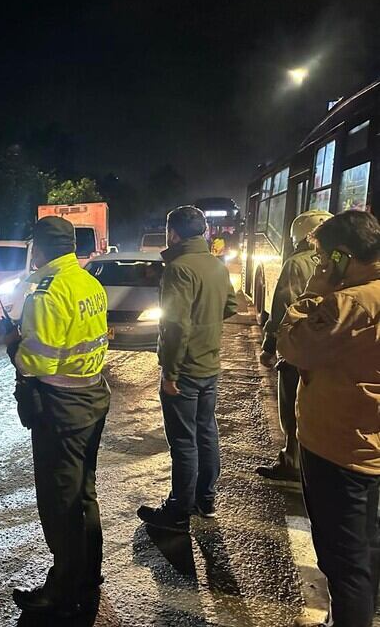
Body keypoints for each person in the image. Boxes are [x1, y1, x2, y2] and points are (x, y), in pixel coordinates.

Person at [277, 210, 380, 627]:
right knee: (366, 550)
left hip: (339, 447)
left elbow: (293, 345)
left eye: (322, 259)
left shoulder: (349, 303)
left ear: (342, 257)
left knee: (343, 560)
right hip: (369, 445)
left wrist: (311, 294)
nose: (319, 266)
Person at [6, 216, 111, 617]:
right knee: (84, 492)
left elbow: (38, 362)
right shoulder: (87, 282)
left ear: (41, 247)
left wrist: (14, 345)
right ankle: (88, 572)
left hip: (61, 407)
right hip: (93, 396)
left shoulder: (46, 292)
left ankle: (63, 590)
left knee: (60, 502)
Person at [138, 205, 237, 532]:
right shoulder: (216, 265)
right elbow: (231, 305)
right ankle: (205, 500)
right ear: (204, 231)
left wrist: (171, 373)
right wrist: (207, 324)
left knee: (183, 441)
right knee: (206, 432)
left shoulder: (178, 268)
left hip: (185, 369)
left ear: (173, 233)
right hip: (210, 364)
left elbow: (176, 326)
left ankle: (179, 509)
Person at [256, 210, 332, 482]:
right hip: (330, 350)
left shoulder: (296, 263)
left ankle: (292, 460)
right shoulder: (346, 263)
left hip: (298, 348)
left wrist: (269, 345)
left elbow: (283, 307)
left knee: (291, 406)